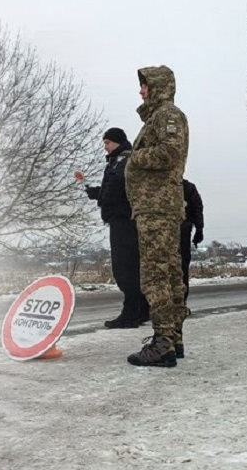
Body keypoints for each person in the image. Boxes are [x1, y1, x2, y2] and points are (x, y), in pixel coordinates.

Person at [125, 65, 189, 367]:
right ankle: (172, 339)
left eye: (145, 86)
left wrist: (132, 156)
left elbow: (169, 153)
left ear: (158, 86)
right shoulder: (160, 116)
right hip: (158, 207)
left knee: (156, 274)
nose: (141, 91)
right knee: (170, 272)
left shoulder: (167, 115)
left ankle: (162, 342)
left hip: (157, 207)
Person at [85, 127, 150, 328]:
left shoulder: (125, 160)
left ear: (118, 142)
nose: (105, 147)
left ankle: (131, 314)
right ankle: (141, 310)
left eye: (107, 142)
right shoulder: (116, 161)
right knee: (130, 266)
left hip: (124, 220)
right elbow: (113, 188)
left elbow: (120, 189)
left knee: (125, 268)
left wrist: (103, 197)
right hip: (120, 218)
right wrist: (97, 193)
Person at [180, 179, 204, 300]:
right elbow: (197, 209)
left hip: (181, 234)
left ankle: (179, 303)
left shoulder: (187, 187)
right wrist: (199, 229)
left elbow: (197, 208)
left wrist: (199, 229)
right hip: (183, 232)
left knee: (180, 271)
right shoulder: (187, 187)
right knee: (181, 271)